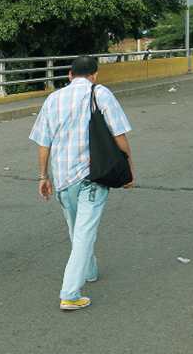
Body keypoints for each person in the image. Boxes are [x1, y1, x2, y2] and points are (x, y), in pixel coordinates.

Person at [30, 55, 134, 311]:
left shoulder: (53, 99)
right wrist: (129, 169)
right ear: (94, 75)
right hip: (92, 176)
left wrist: (43, 177)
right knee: (84, 233)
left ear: (69, 74)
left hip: (63, 178)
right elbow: (119, 135)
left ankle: (89, 271)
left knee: (77, 230)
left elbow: (44, 142)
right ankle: (70, 293)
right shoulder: (100, 93)